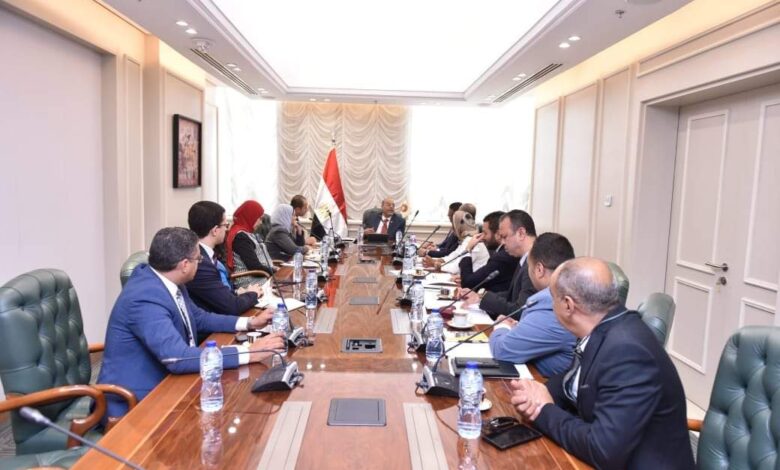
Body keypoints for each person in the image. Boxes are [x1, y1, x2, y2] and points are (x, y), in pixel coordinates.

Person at [509, 257, 694, 470]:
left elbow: (603, 450)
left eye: (552, 299)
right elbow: (575, 382)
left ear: (568, 305)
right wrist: (535, 392)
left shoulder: (627, 351)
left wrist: (543, 409)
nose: (551, 306)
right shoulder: (605, 326)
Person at [97, 227, 286, 418]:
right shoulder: (144, 297)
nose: (200, 263)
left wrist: (250, 322)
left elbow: (200, 318)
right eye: (199, 259)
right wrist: (249, 352)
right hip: (135, 404)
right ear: (185, 264)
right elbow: (176, 358)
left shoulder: (169, 281)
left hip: (171, 384)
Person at [488, 233, 576, 376]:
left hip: (548, 390)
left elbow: (502, 350)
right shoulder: (571, 292)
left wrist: (502, 326)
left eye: (529, 266)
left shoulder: (552, 302)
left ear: (539, 269)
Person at [185, 201, 263, 316]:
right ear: (215, 230)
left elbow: (216, 293)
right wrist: (253, 294)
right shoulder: (201, 263)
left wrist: (238, 292)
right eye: (225, 225)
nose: (227, 230)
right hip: (213, 329)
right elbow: (231, 307)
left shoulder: (205, 254)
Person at [462, 210, 537, 319]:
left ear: (521, 233)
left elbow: (521, 311)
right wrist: (481, 297)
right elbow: (513, 296)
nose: (502, 242)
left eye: (505, 236)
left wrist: (484, 298)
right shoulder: (524, 258)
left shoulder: (535, 264)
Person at [458, 211, 519, 293]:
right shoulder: (500, 252)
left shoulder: (502, 257)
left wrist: (468, 249)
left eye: (485, 233)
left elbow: (467, 283)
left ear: (498, 234)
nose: (482, 237)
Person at [225, 200, 275, 289]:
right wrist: (274, 271)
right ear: (250, 216)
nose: (260, 223)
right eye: (259, 218)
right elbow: (254, 266)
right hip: (250, 282)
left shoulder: (246, 232)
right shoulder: (240, 237)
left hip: (262, 276)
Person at [425, 211, 488, 275]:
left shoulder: (473, 241)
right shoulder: (468, 238)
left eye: (454, 223)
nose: (453, 227)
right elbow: (455, 255)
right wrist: (439, 261)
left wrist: (435, 264)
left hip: (474, 282)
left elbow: (457, 268)